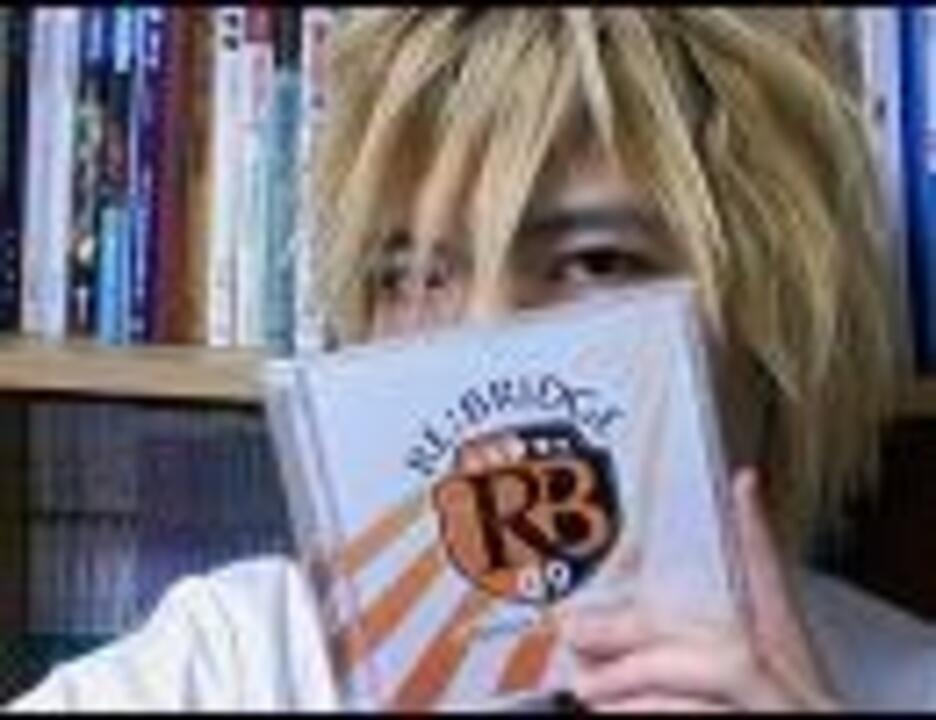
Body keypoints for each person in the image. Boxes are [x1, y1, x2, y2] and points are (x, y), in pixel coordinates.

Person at [9, 7, 936, 712]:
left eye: (596, 262)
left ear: (775, 334)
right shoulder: (233, 663)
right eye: (414, 276)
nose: (479, 341)